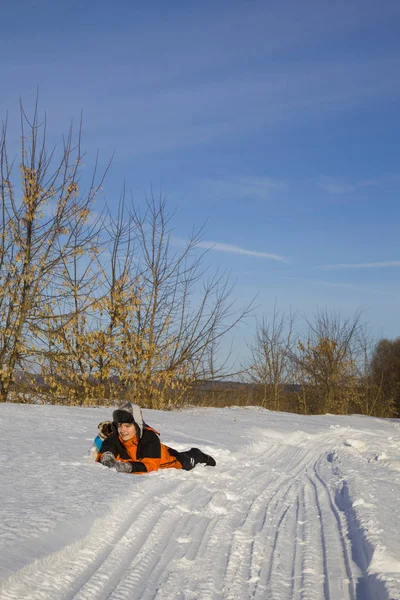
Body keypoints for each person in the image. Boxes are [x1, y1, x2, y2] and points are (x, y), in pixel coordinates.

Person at [95, 401, 216, 474]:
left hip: (166, 458)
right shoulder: (117, 436)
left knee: (186, 462)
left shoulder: (149, 437)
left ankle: (198, 454)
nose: (123, 430)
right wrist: (107, 456)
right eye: (120, 426)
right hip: (148, 451)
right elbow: (108, 446)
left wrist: (129, 467)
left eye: (127, 426)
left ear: (136, 426)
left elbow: (150, 465)